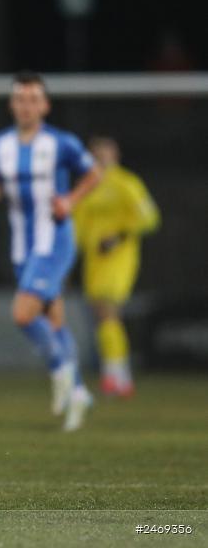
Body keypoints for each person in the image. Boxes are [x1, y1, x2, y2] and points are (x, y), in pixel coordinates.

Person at [0, 71, 101, 432]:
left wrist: (70, 200)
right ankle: (78, 393)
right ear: (12, 104)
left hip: (55, 240)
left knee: (23, 314)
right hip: (22, 246)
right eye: (20, 99)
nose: (26, 106)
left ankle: (62, 372)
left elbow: (94, 174)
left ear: (45, 105)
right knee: (54, 320)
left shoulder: (62, 143)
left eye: (33, 99)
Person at [73, 136, 159, 397]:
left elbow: (150, 218)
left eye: (104, 152)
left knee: (108, 310)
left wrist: (119, 236)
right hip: (93, 260)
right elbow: (77, 225)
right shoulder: (86, 186)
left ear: (115, 155)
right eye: (95, 153)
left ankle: (115, 375)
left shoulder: (126, 183)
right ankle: (119, 376)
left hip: (119, 258)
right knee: (103, 316)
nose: (100, 157)